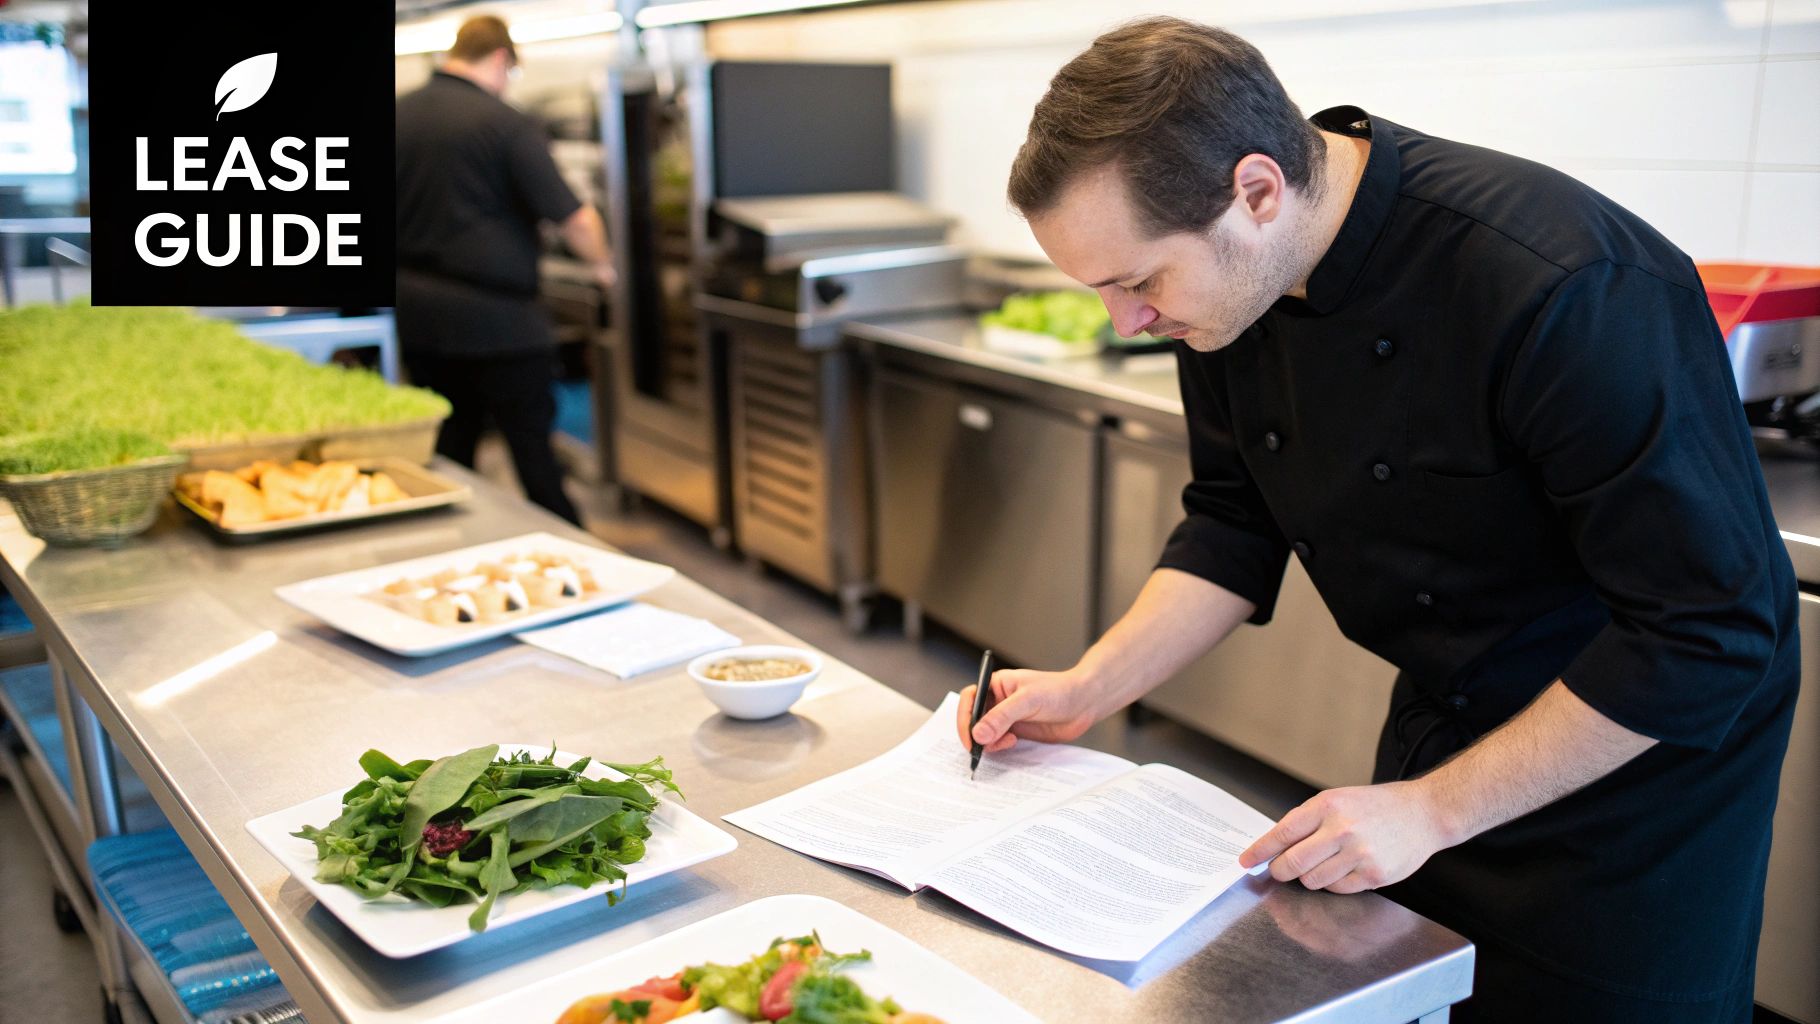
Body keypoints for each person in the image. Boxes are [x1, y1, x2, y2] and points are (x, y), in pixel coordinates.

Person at [955, 17, 1797, 1022]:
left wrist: (1433, 807)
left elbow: (1705, 627)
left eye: (1136, 283)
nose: (1125, 323)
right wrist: (1087, 684)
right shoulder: (1225, 288)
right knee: (1413, 992)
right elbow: (1232, 518)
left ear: (1255, 190)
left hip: (1631, 774)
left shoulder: (1557, 282)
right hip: (1444, 723)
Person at [394, 15, 615, 526]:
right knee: (534, 457)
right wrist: (603, 265)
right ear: (500, 59)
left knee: (450, 452)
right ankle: (570, 562)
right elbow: (576, 217)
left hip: (419, 315)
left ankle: (456, 558)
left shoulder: (398, 116)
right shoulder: (504, 123)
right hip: (501, 324)